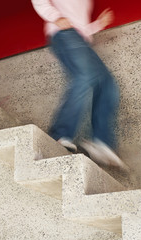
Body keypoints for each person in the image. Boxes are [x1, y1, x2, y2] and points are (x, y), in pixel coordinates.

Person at [31, 0, 126, 169]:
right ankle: (58, 136)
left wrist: (98, 24)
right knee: (85, 77)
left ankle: (101, 142)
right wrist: (56, 17)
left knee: (107, 84)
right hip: (64, 34)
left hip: (79, 39)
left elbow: (79, 25)